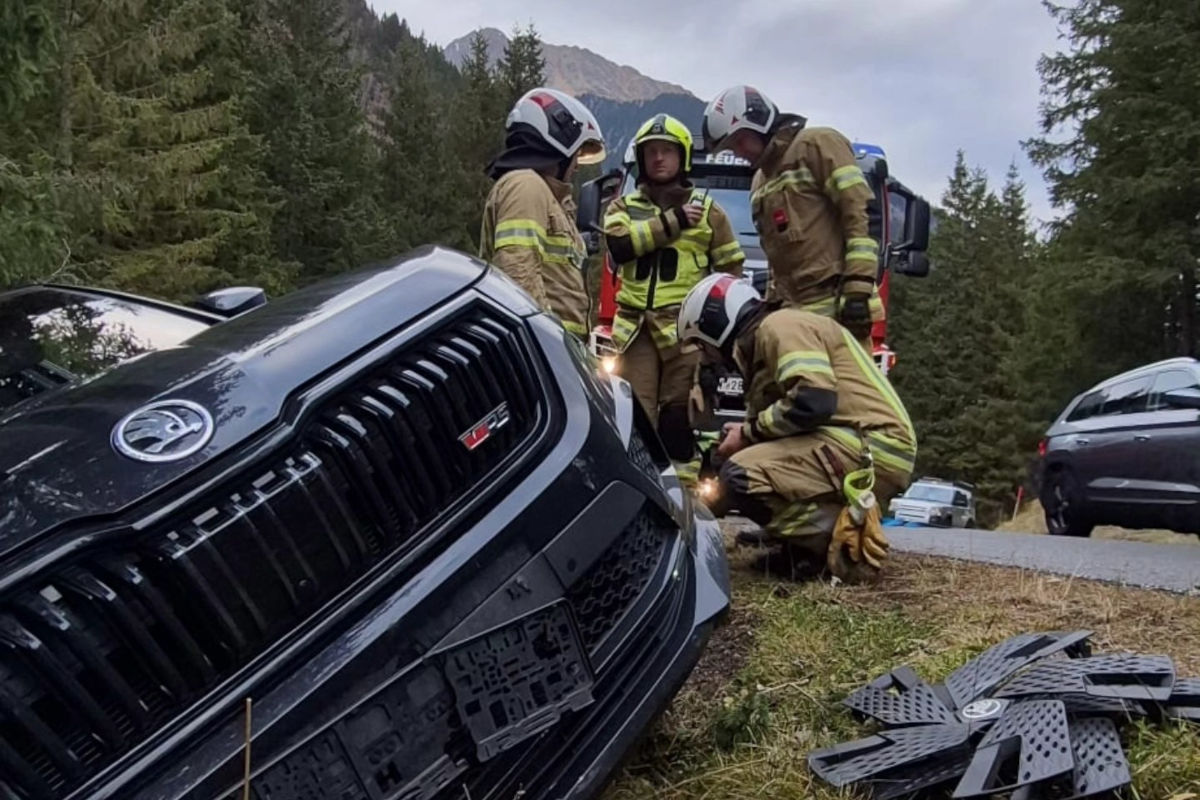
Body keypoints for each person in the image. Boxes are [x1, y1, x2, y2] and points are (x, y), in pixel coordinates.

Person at [677, 272, 917, 582]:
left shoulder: (779, 327)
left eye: (702, 345)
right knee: (732, 468)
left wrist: (747, 434)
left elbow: (813, 401)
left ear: (714, 325)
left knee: (741, 475)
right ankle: (797, 543)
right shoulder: (766, 344)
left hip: (873, 445)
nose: (708, 357)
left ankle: (834, 547)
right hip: (855, 441)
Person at [602, 113, 745, 482]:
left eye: (667, 151)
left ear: (682, 158)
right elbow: (619, 246)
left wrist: (725, 342)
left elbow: (731, 276)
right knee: (636, 418)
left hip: (688, 336)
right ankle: (641, 494)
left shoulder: (711, 213)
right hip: (636, 333)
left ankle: (686, 503)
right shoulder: (622, 208)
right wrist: (674, 222)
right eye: (651, 152)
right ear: (641, 160)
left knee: (680, 419)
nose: (659, 159)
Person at [700, 85, 882, 351]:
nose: (740, 152)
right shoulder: (759, 181)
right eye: (731, 147)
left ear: (760, 122)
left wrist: (857, 286)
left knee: (849, 390)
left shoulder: (817, 145)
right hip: (794, 314)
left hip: (839, 305)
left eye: (740, 141)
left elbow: (861, 214)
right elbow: (777, 253)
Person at [480, 88, 606, 340]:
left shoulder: (544, 195)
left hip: (556, 348)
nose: (577, 165)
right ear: (559, 141)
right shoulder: (526, 186)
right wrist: (547, 344)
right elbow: (519, 274)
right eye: (577, 154)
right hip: (544, 349)